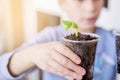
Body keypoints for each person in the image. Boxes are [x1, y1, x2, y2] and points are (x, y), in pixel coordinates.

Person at [0, 0, 116, 80]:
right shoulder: (51, 37)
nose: (91, 8)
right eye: (80, 0)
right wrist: (32, 54)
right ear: (62, 3)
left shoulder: (113, 39)